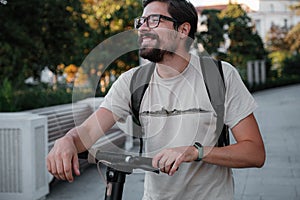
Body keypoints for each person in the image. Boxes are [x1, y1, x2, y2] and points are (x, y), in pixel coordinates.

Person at [47, 0, 265, 199]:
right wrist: (67, 141)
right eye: (141, 21)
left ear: (183, 30)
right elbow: (85, 134)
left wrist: (195, 151)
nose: (142, 27)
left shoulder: (220, 76)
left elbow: (254, 152)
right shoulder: (132, 82)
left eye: (153, 20)